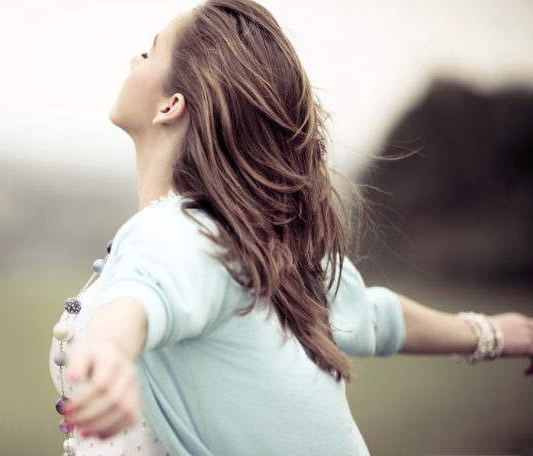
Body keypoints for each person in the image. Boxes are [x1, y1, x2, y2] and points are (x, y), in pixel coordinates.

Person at [48, 1, 533, 454]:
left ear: (170, 105)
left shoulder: (176, 232)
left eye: (151, 50)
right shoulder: (257, 242)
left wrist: (110, 352)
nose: (135, 57)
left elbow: (143, 295)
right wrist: (491, 331)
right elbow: (373, 314)